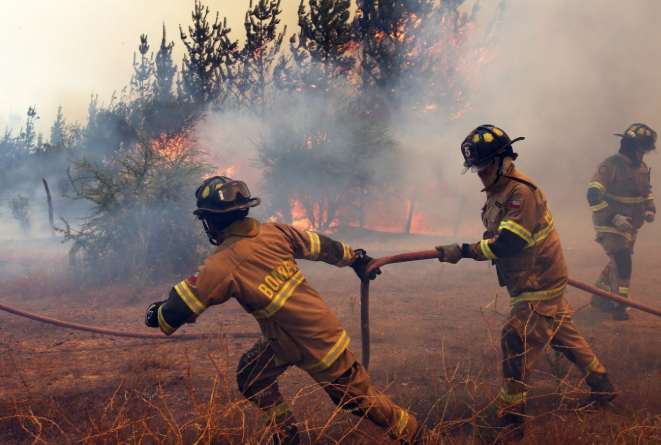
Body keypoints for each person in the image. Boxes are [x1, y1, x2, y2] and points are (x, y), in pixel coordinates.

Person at [144, 176, 422, 444]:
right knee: (252, 376)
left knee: (356, 398)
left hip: (315, 341)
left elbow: (176, 310)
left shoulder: (223, 263)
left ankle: (416, 434)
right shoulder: (274, 232)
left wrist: (155, 314)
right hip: (286, 339)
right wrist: (355, 258)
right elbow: (321, 246)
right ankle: (286, 435)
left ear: (211, 222)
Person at [435, 125, 615, 437]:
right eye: (475, 167)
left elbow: (509, 243)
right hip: (534, 279)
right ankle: (603, 386)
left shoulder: (521, 193)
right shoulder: (499, 191)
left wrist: (463, 251)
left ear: (505, 160)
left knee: (515, 341)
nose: (480, 172)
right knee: (563, 335)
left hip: (537, 282)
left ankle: (511, 421)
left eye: (484, 164)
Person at [587, 123, 656, 321]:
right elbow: (593, 195)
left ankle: (600, 298)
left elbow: (647, 192)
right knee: (623, 260)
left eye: (645, 151)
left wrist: (650, 209)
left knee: (617, 263)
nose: (642, 155)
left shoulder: (641, 167)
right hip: (609, 224)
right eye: (640, 150)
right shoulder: (610, 166)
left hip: (631, 225)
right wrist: (614, 218)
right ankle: (619, 306)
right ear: (629, 146)